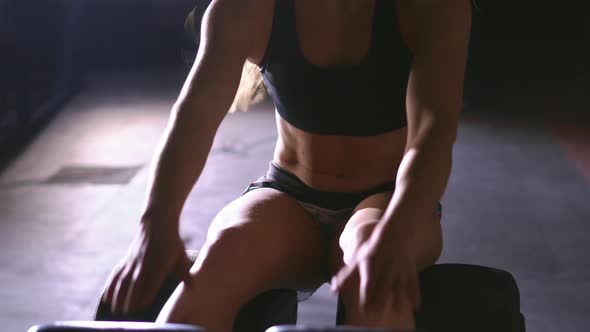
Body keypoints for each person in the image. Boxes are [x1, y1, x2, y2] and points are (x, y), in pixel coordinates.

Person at [101, 0, 472, 331]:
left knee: (369, 267)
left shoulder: (433, 8)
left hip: (389, 200)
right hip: (288, 194)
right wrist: (157, 221)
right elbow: (195, 113)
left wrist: (401, 226)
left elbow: (432, 132)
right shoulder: (248, 8)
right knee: (222, 253)